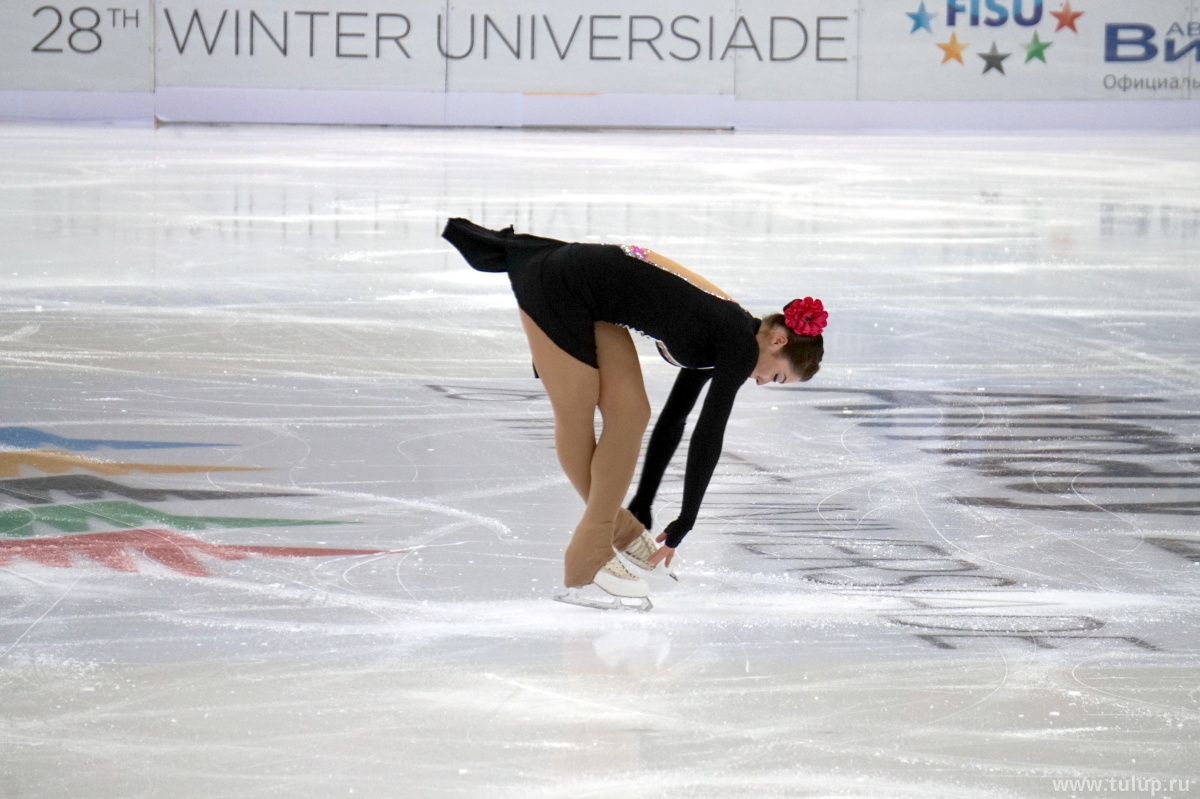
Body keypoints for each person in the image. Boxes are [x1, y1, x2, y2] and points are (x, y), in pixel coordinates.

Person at [442, 218, 826, 611]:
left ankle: (622, 527)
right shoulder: (738, 344)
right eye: (777, 376)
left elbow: (675, 419)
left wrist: (644, 499)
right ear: (778, 340)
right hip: (558, 284)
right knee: (576, 408)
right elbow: (709, 433)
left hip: (589, 292)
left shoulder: (730, 335)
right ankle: (588, 557)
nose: (763, 382)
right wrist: (685, 521)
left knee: (631, 412)